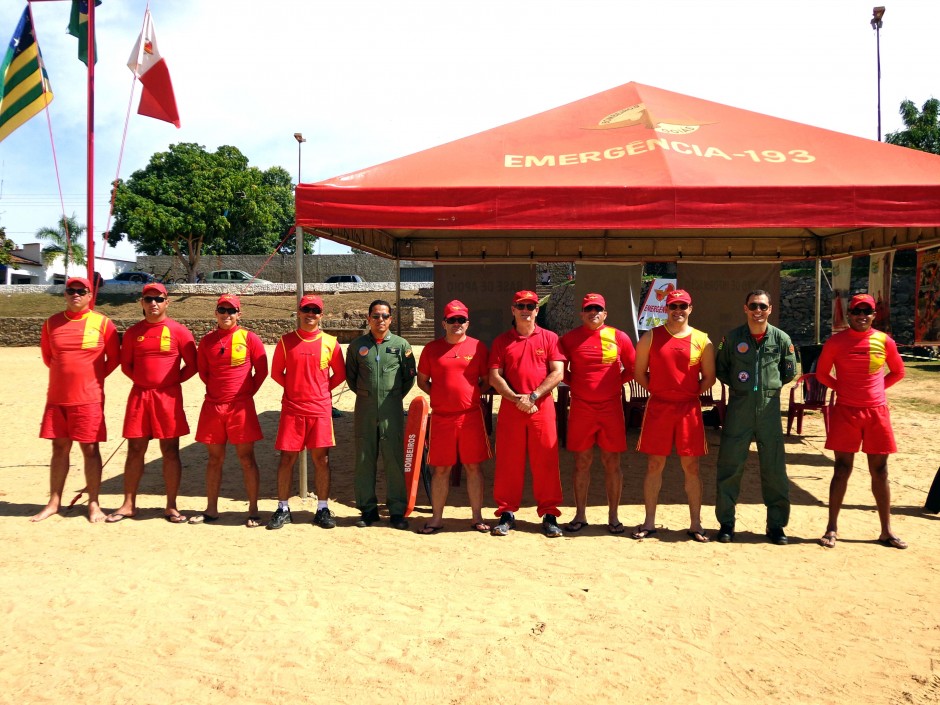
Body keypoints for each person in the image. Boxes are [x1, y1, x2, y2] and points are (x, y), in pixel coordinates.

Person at [815, 293, 907, 549]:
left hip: (876, 413)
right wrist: (843, 389)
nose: (862, 316)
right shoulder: (835, 342)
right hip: (846, 412)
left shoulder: (884, 341)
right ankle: (832, 527)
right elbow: (822, 374)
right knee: (842, 469)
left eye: (867, 311)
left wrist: (876, 391)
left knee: (880, 470)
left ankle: (886, 531)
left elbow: (898, 371)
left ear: (874, 315)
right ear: (849, 315)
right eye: (857, 311)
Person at [108, 283, 197, 523]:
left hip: (168, 398)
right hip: (140, 396)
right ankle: (128, 504)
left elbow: (193, 365)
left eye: (158, 298)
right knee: (135, 449)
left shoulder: (179, 331)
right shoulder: (133, 332)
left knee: (170, 450)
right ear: (142, 302)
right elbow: (126, 365)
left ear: (167, 302)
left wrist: (170, 382)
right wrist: (144, 382)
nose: (153, 303)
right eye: (148, 299)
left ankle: (171, 505)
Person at [33, 276, 120, 522]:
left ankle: (93, 503)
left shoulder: (103, 323)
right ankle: (54, 502)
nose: (76, 295)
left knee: (90, 449)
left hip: (89, 398)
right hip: (57, 398)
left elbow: (114, 359)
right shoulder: (51, 323)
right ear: (65, 294)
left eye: (81, 291)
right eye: (71, 290)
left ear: (90, 295)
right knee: (59, 448)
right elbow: (49, 358)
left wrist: (92, 378)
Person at [714, 290, 797, 545]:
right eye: (753, 306)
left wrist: (767, 389)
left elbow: (789, 372)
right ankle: (726, 523)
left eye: (762, 306)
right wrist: (744, 390)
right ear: (745, 308)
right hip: (739, 409)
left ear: (770, 309)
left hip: (769, 410)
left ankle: (776, 525)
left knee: (774, 469)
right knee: (730, 467)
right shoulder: (732, 338)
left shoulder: (781, 339)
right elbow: (722, 369)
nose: (757, 311)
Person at [632, 289, 715, 542]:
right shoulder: (650, 337)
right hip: (659, 408)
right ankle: (649, 521)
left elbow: (709, 377)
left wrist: (689, 394)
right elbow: (639, 373)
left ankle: (695, 523)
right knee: (654, 465)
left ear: (690, 308)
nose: (678, 310)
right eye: (673, 306)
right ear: (666, 309)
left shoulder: (703, 340)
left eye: (683, 306)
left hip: (688, 410)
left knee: (691, 466)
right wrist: (660, 392)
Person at [488, 290, 566, 538]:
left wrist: (532, 396)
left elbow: (558, 372)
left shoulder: (550, 338)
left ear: (537, 310)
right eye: (521, 306)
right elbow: (495, 376)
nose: (525, 310)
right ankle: (506, 512)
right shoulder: (502, 341)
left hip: (541, 408)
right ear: (513, 309)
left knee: (546, 461)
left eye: (530, 306)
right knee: (508, 461)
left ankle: (549, 513)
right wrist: (516, 398)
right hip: (512, 408)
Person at [267, 295, 346, 530]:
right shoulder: (286, 341)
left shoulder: (330, 342)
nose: (310, 314)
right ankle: (283, 508)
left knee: (321, 459)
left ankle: (322, 508)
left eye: (315, 310)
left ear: (321, 314)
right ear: (299, 312)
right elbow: (276, 373)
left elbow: (340, 374)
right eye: (306, 309)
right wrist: (295, 390)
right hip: (292, 409)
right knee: (287, 459)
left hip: (319, 409)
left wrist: (321, 391)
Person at [559, 293, 636, 534]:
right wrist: (576, 385)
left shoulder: (619, 336)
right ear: (582, 314)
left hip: (610, 409)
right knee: (581, 462)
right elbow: (560, 369)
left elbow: (633, 368)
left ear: (605, 313)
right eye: (589, 309)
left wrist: (613, 384)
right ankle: (580, 514)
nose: (593, 312)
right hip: (581, 408)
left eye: (598, 309)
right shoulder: (570, 339)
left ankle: (613, 517)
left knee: (612, 462)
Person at [415, 300, 492, 534]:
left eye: (461, 320)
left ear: (467, 323)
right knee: (441, 470)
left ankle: (477, 517)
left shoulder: (478, 347)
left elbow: (486, 380)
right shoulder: (431, 349)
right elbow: (422, 381)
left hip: (470, 417)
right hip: (442, 418)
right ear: (444, 323)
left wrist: (469, 396)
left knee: (473, 467)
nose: (456, 323)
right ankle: (437, 518)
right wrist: (441, 397)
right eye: (452, 320)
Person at [192, 294, 268, 527]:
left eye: (231, 311)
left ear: (239, 314)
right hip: (213, 406)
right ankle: (211, 509)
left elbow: (262, 371)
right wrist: (219, 394)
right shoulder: (207, 341)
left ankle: (253, 510)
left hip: (241, 407)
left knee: (247, 458)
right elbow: (204, 372)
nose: (227, 315)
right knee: (214, 459)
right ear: (216, 313)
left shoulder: (249, 338)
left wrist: (245, 394)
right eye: (223, 310)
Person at [345, 300, 416, 530]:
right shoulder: (357, 346)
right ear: (369, 319)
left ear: (391, 319)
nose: (380, 320)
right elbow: (351, 378)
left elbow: (409, 377)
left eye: (385, 316)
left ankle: (396, 510)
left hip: (391, 410)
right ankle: (368, 510)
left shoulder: (401, 345)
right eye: (376, 316)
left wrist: (392, 397)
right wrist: (369, 395)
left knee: (394, 459)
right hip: (365, 410)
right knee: (364, 459)